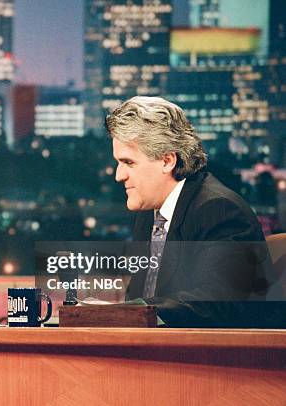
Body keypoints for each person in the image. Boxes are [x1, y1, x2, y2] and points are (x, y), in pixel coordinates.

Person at [105, 96, 278, 327]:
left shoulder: (219, 211)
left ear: (167, 161)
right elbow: (141, 302)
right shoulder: (149, 215)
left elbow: (214, 303)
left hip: (217, 359)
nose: (119, 175)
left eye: (129, 162)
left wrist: (127, 312)